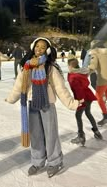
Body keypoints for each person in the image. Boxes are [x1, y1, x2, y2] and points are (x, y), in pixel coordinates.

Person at [5, 37, 84, 178]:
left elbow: (60, 88)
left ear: (47, 50)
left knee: (50, 134)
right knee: (36, 134)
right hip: (32, 103)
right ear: (33, 48)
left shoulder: (50, 67)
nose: (39, 49)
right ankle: (37, 160)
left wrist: (72, 103)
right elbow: (19, 85)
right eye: (37, 46)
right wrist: (11, 98)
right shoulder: (27, 66)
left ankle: (55, 162)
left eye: (42, 47)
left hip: (47, 105)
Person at [67, 58, 103, 146]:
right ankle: (96, 131)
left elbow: (78, 90)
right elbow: (88, 71)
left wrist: (80, 101)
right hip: (88, 95)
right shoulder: (81, 72)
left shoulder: (73, 76)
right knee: (88, 113)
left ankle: (81, 136)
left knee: (78, 115)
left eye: (68, 66)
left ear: (70, 66)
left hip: (82, 97)